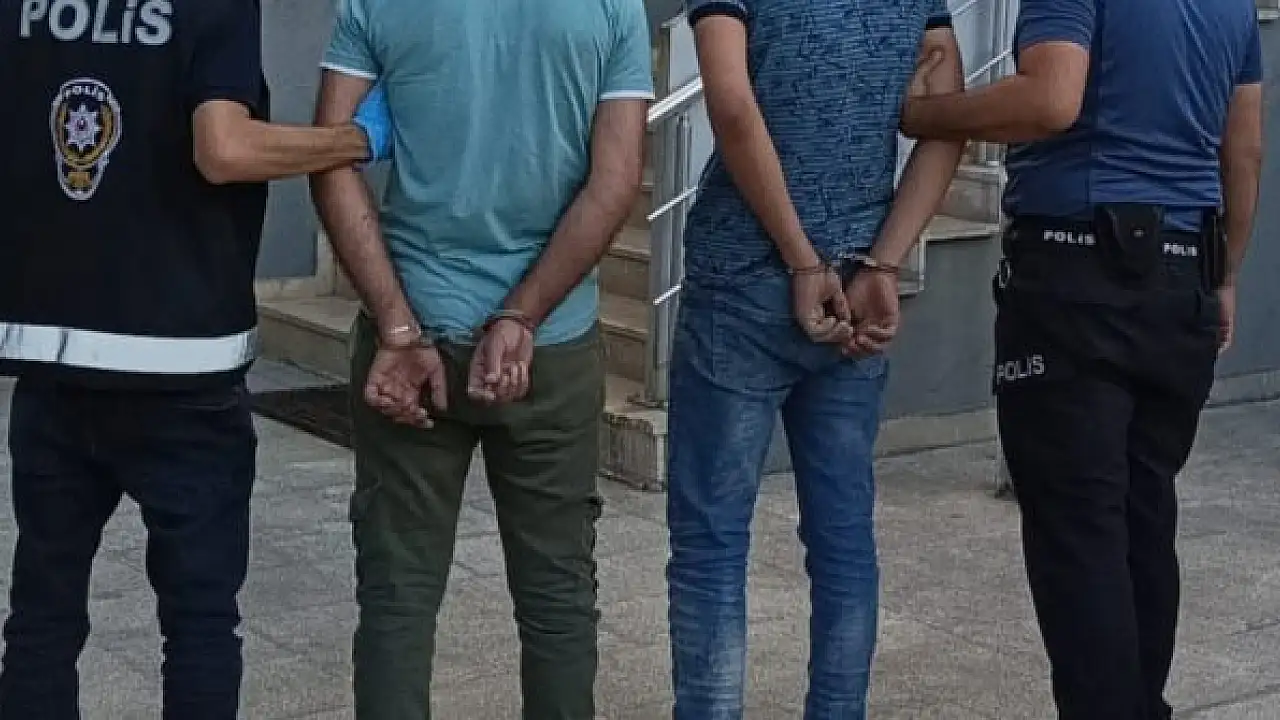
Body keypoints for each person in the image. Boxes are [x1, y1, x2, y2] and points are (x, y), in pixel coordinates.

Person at [0, 0, 381, 717]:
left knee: (41, 619)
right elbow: (224, 149)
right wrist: (354, 140)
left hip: (53, 355)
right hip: (180, 363)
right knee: (199, 623)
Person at [900, 0, 1265, 716]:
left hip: (1078, 278)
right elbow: (1243, 148)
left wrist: (923, 116)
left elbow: (1051, 99)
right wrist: (1225, 274)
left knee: (1081, 533)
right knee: (1143, 515)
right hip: (1183, 276)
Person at [308, 0, 652, 716]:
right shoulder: (613, 6)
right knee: (557, 600)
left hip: (411, 338)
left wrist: (397, 325)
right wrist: (523, 313)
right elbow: (616, 179)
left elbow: (328, 154)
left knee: (397, 599)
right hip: (550, 349)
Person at [665, 0, 964, 717]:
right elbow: (949, 121)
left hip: (741, 279)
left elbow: (732, 103)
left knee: (711, 545)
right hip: (857, 284)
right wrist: (884, 262)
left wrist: (803, 261)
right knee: (843, 543)